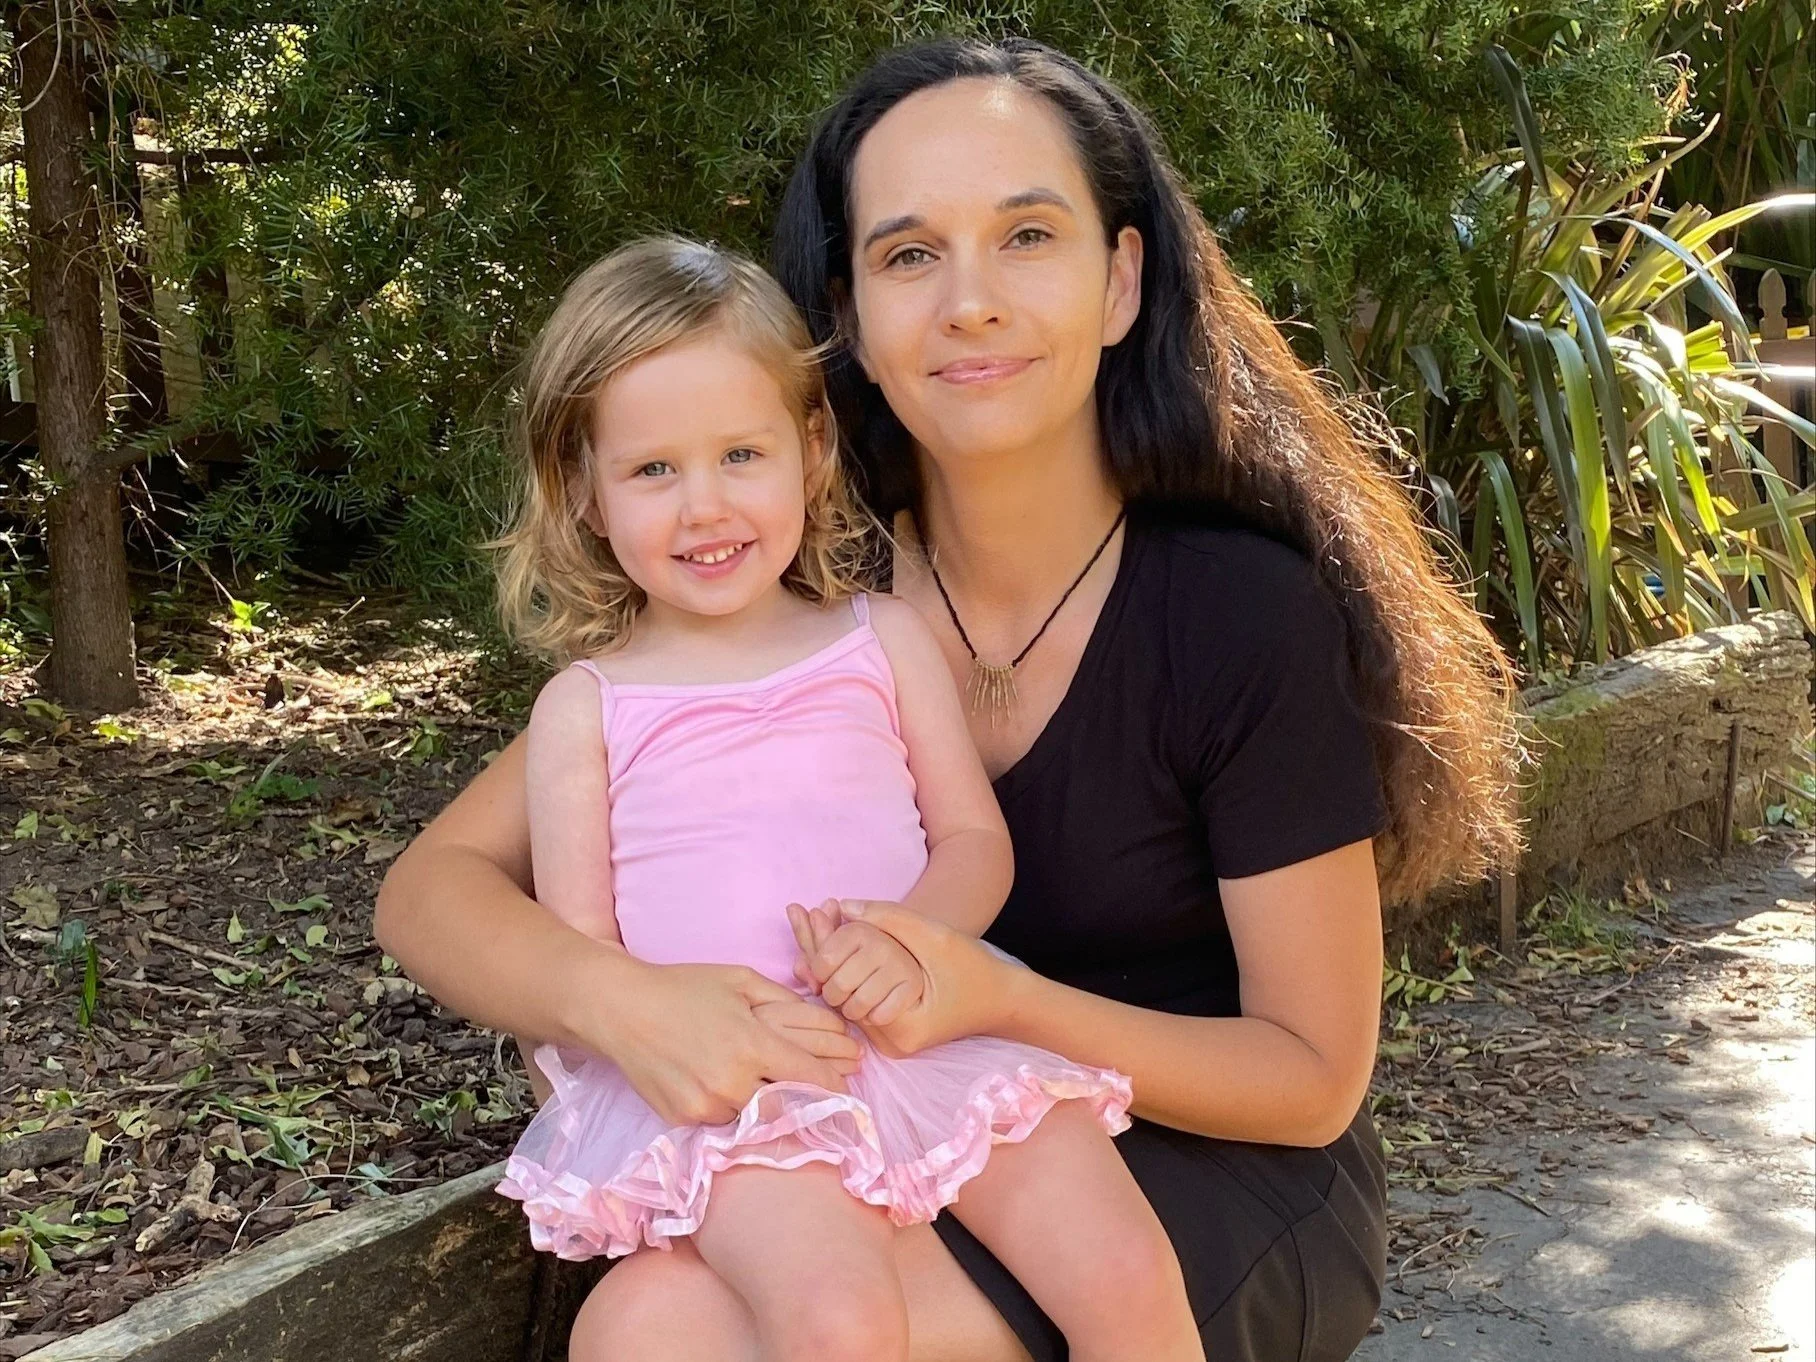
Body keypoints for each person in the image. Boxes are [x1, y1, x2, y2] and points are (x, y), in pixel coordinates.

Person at [376, 37, 1520, 1362]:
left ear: (1119, 279)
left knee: (697, 1334)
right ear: (846, 313)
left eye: (1027, 236)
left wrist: (995, 998)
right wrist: (622, 1002)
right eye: (911, 254)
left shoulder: (1238, 614)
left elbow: (1311, 1080)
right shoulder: (793, 598)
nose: (968, 302)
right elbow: (431, 891)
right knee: (649, 1322)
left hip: (1210, 1163)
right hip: (869, 1124)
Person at [483, 234, 1204, 1362]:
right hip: (745, 1099)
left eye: (740, 454)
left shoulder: (880, 641)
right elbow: (578, 976)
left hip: (927, 1033)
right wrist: (659, 1077)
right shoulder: (588, 708)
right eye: (652, 470)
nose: (704, 506)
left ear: (810, 449)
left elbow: (974, 841)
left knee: (1124, 1268)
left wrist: (917, 939)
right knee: (839, 1320)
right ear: (583, 488)